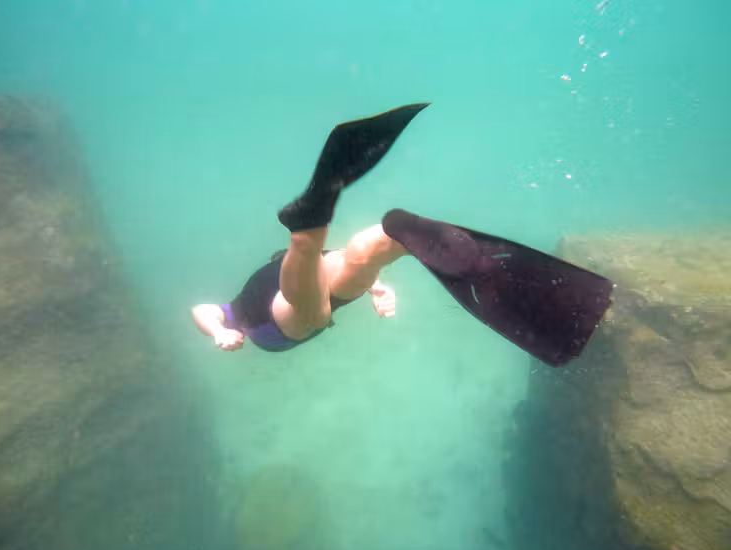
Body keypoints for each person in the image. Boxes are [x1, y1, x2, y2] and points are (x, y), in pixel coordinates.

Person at [193, 103, 614, 367]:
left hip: (283, 319)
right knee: (361, 256)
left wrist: (220, 331)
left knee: (315, 307)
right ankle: (394, 240)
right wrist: (219, 332)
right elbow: (204, 312)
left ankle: (310, 232)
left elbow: (202, 309)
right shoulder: (235, 311)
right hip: (293, 305)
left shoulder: (235, 310)